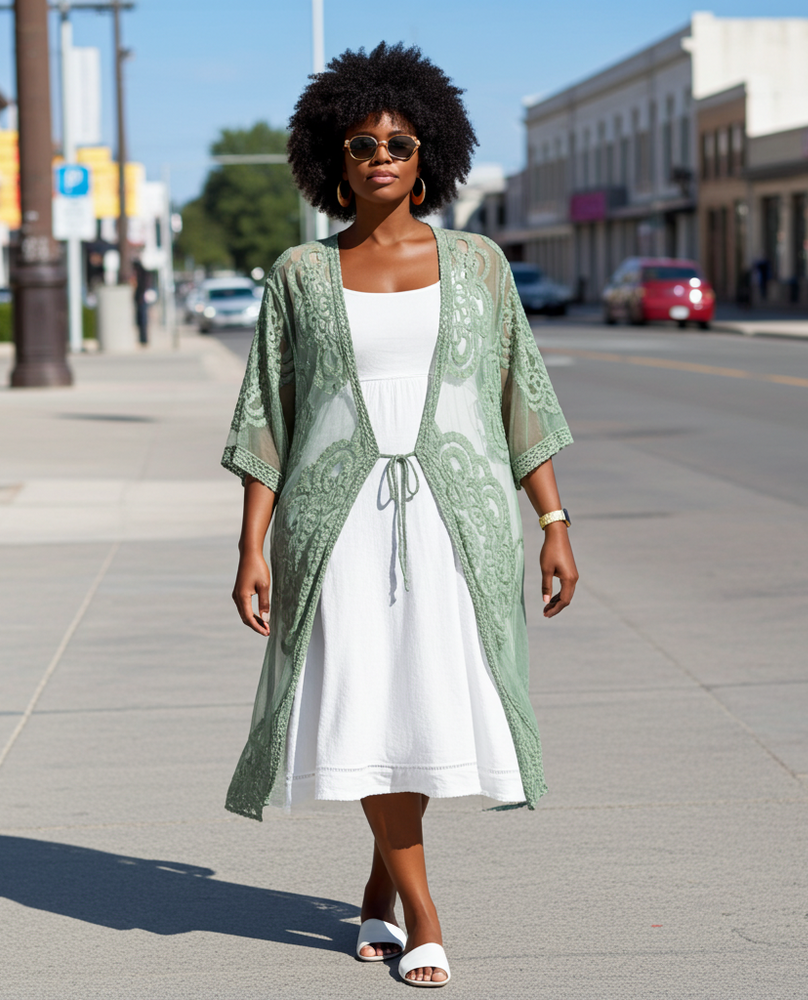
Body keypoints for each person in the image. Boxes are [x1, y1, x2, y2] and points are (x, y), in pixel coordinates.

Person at [223, 42, 577, 988]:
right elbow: (269, 415)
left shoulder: (481, 265)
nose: (381, 156)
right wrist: (252, 544)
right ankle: (424, 913)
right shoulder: (299, 275)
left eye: (400, 142)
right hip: (332, 525)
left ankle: (378, 895)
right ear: (331, 159)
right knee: (365, 703)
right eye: (361, 143)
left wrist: (552, 521)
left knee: (416, 706)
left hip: (455, 519)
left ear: (431, 155)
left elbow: (519, 399)